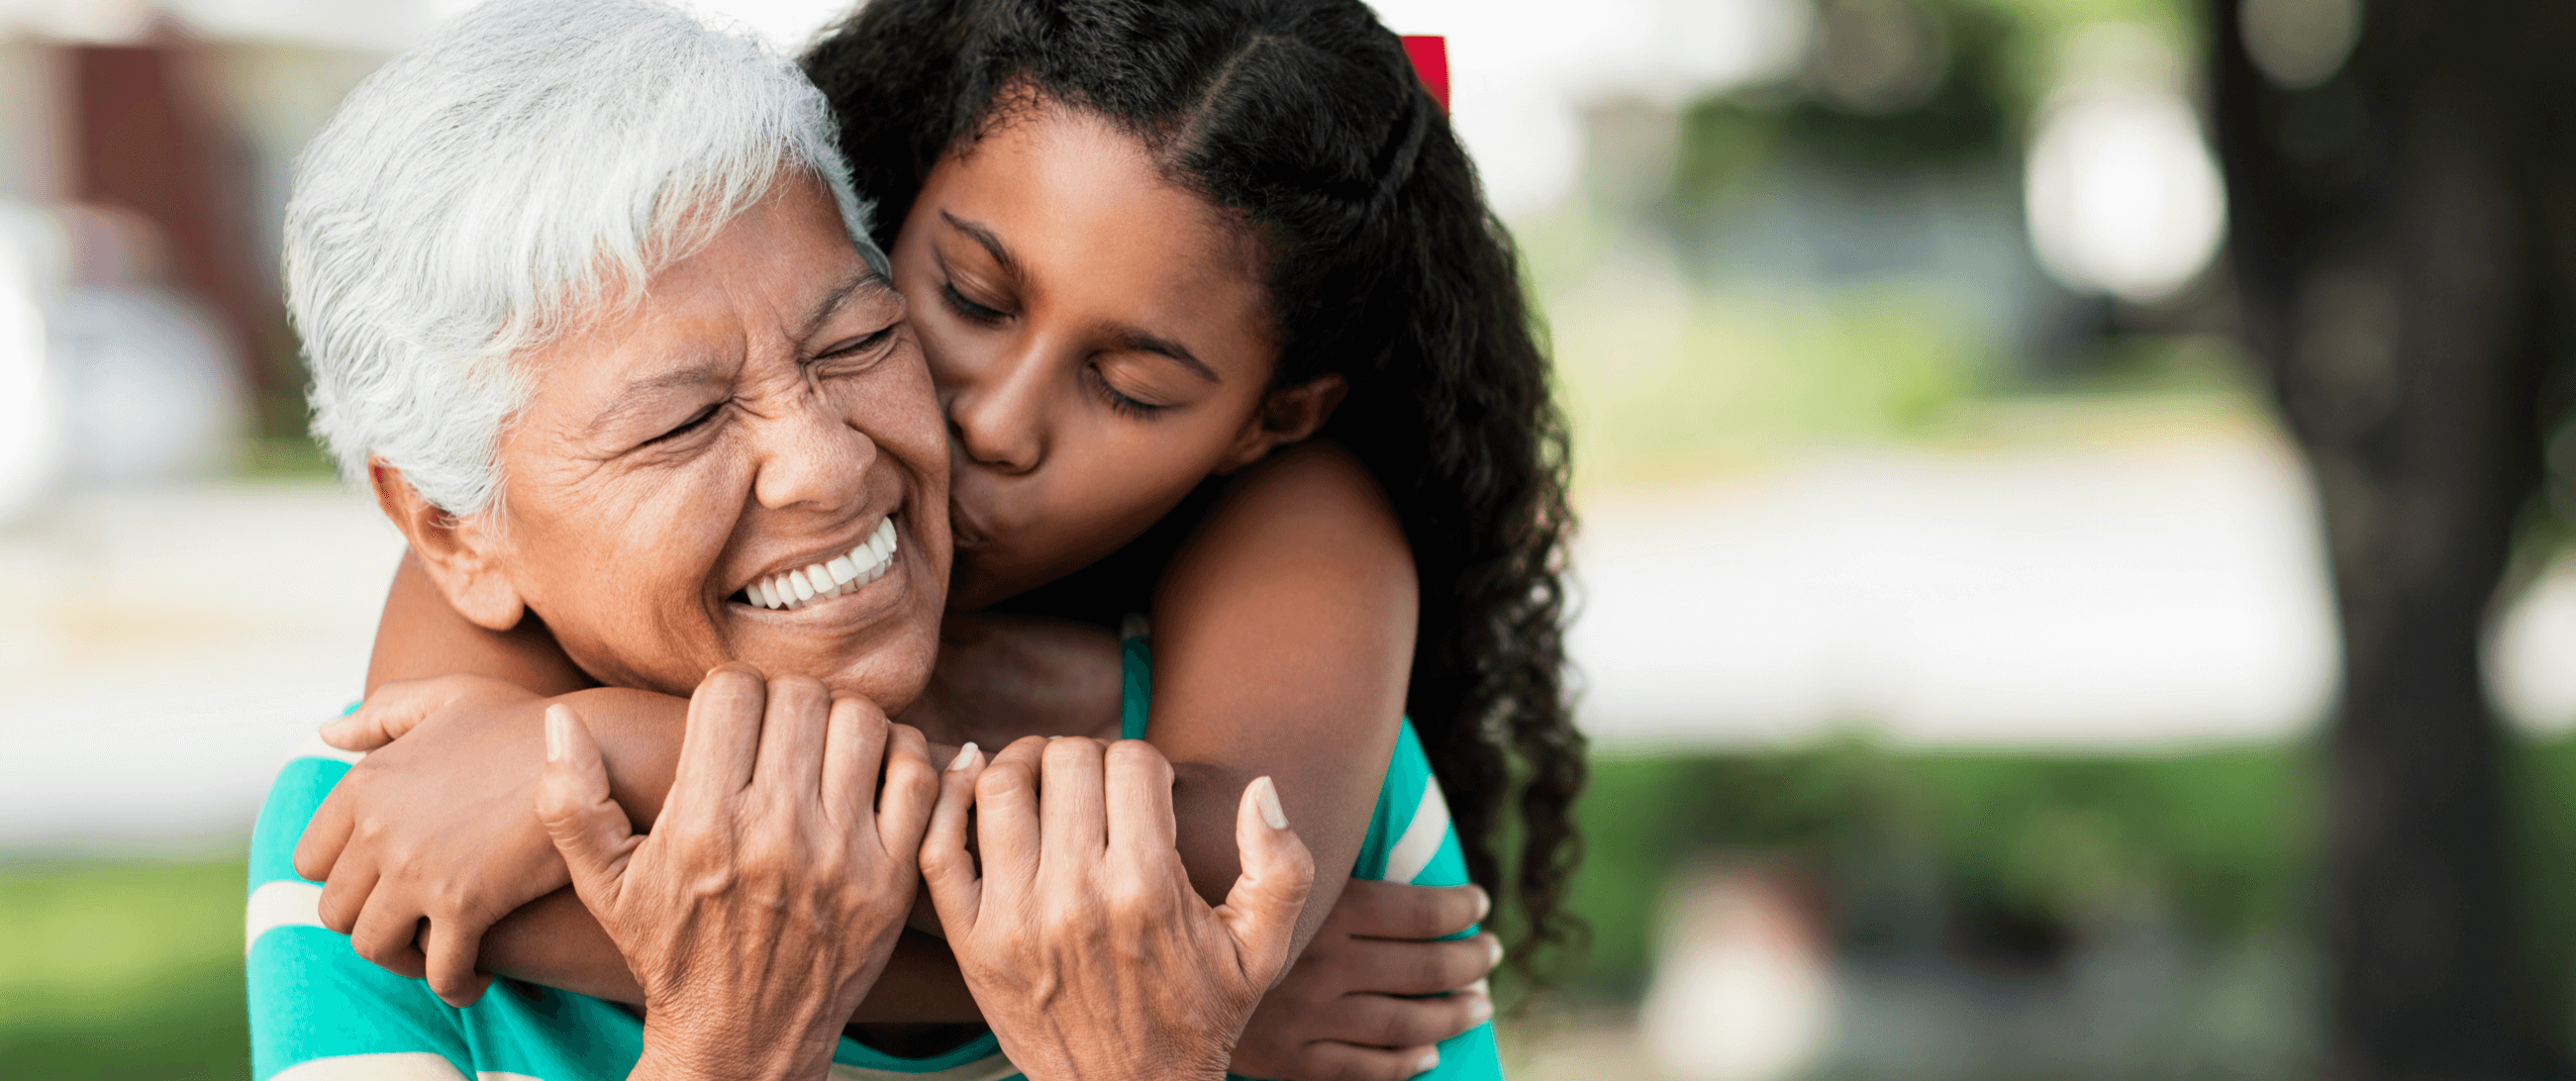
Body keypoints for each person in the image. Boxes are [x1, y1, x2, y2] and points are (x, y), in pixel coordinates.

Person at [299, 0, 1580, 1077]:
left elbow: (1225, 879)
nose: (996, 421)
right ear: (884, 207)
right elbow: (425, 852)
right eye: (965, 299)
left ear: (1264, 422)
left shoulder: (1301, 519)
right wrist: (1200, 989)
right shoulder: (493, 530)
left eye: (1130, 388)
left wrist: (644, 756)